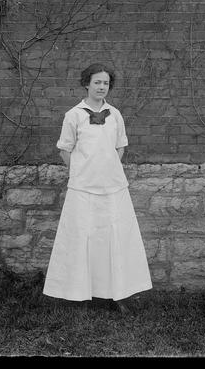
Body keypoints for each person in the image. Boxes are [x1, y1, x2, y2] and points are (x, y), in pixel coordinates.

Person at [43, 63, 152, 313]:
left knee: (113, 239)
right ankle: (79, 293)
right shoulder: (74, 115)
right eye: (97, 82)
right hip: (82, 190)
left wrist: (107, 170)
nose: (102, 87)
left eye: (105, 83)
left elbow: (120, 147)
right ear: (86, 84)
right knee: (82, 238)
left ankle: (116, 293)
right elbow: (64, 150)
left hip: (113, 189)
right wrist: (82, 173)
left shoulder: (115, 114)